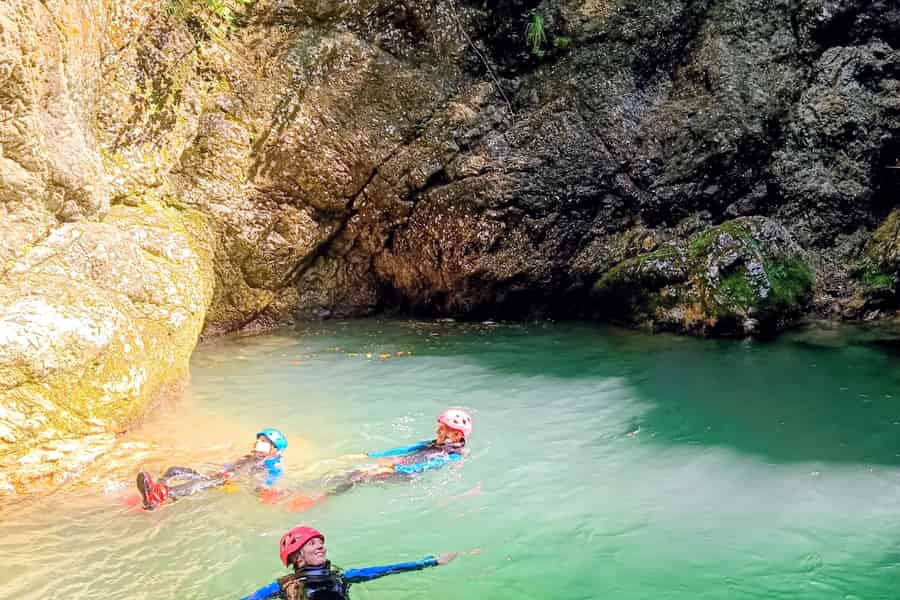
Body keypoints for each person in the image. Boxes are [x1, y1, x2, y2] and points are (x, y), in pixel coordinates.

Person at [285, 409, 473, 511]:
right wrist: (369, 456)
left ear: (456, 436)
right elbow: (406, 449)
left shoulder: (451, 455)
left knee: (359, 476)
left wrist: (392, 469)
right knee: (349, 471)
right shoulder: (433, 444)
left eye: (442, 429)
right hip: (398, 465)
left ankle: (321, 497)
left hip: (405, 475)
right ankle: (298, 487)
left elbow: (427, 466)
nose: (437, 431)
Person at [241, 526, 457, 600]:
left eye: (321, 543)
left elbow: (386, 569)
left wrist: (429, 562)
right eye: (312, 544)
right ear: (297, 557)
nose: (321, 547)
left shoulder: (341, 577)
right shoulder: (283, 585)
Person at [135, 428, 288, 510]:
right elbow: (233, 465)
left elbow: (268, 480)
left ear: (274, 449)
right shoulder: (253, 456)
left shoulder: (270, 464)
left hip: (227, 482)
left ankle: (159, 496)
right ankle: (157, 491)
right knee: (174, 470)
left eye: (264, 442)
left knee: (197, 484)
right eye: (258, 440)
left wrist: (265, 490)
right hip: (219, 475)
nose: (257, 444)